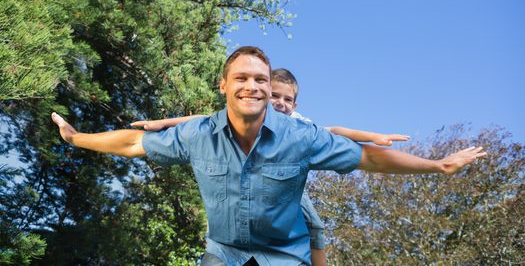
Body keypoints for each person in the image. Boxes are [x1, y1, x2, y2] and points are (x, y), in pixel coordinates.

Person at [51, 46, 486, 266]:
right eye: (242, 78)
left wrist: (437, 166)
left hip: (285, 255)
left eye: (261, 79)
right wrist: (78, 138)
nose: (254, 87)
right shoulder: (199, 134)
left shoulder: (302, 135)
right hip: (224, 252)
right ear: (223, 85)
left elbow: (367, 157)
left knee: (314, 223)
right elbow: (130, 143)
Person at [132, 67, 411, 266]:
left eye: (287, 99)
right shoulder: (246, 115)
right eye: (275, 96)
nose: (281, 103)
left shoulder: (299, 124)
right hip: (249, 189)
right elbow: (202, 121)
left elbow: (336, 129)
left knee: (314, 224)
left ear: (295, 104)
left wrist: (373, 136)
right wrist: (164, 123)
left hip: (285, 191)